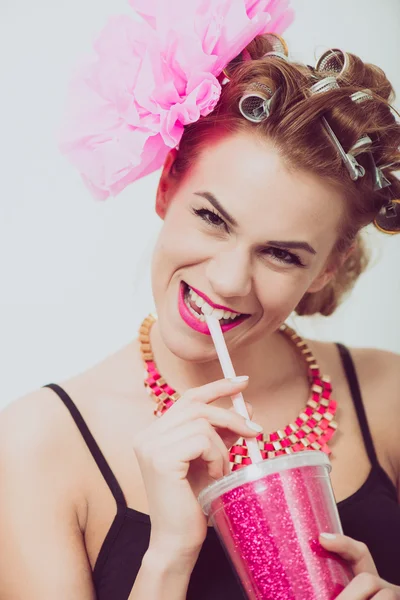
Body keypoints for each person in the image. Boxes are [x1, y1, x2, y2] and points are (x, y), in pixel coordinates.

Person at [1, 1, 400, 598]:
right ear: (166, 187)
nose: (230, 280)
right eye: (212, 218)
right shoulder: (35, 446)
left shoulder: (389, 396)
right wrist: (168, 556)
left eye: (283, 254)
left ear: (329, 267)